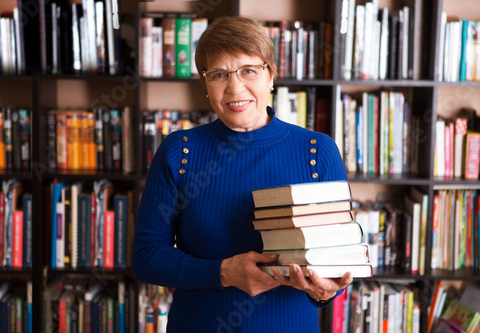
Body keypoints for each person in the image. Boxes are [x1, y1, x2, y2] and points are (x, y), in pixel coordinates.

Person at [132, 16, 353, 333]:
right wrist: (223, 272)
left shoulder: (318, 151)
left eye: (249, 70)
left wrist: (326, 292)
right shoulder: (179, 151)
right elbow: (146, 257)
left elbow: (337, 262)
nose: (235, 87)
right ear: (205, 84)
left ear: (272, 75)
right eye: (219, 74)